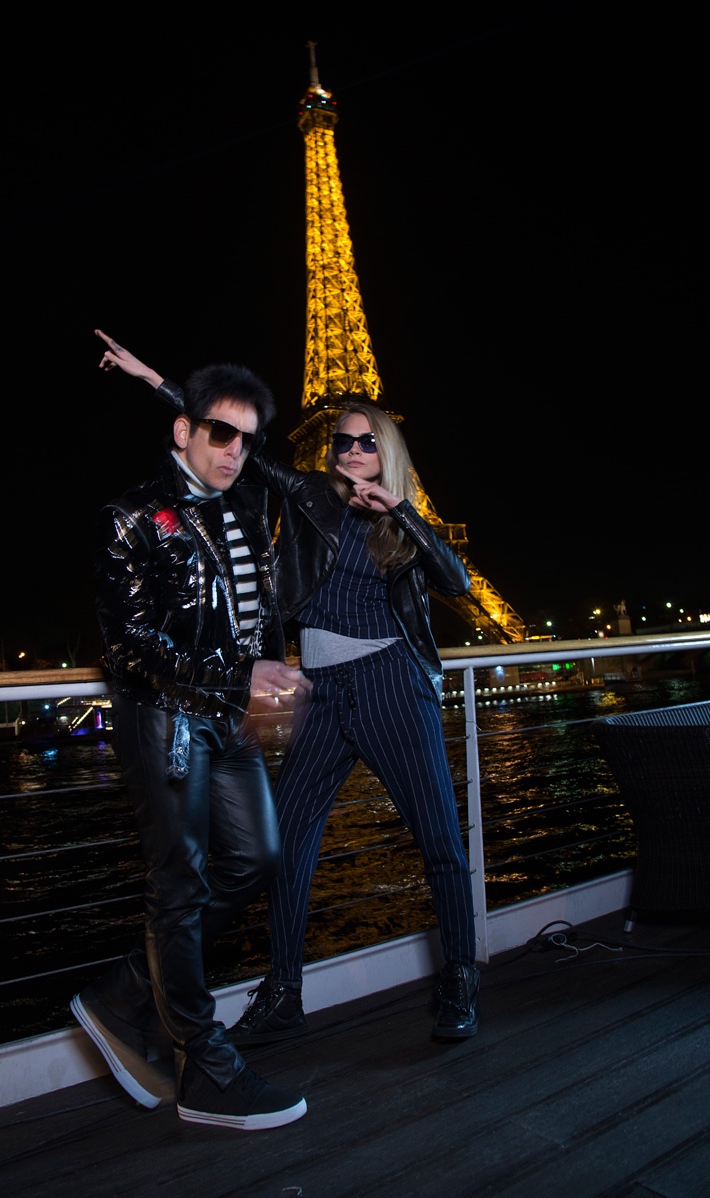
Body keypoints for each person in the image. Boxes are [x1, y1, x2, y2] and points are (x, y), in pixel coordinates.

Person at [94, 329, 480, 1049]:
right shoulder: (308, 497)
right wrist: (151, 378)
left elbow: (455, 584)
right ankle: (284, 993)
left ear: (386, 451)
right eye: (341, 443)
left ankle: (459, 977)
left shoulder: (402, 526)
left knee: (438, 841)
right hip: (317, 690)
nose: (351, 453)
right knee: (289, 844)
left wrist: (399, 510)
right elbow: (228, 437)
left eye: (365, 443)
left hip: (392, 681)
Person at [70, 334, 310, 1130]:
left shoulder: (243, 503)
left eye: (246, 437)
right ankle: (201, 1061)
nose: (235, 450)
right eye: (217, 432)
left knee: (256, 859)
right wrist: (240, 678)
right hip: (166, 721)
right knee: (182, 884)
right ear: (182, 429)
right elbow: (131, 648)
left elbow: (293, 481)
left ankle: (124, 995)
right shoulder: (131, 515)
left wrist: (162, 384)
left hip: (228, 722)